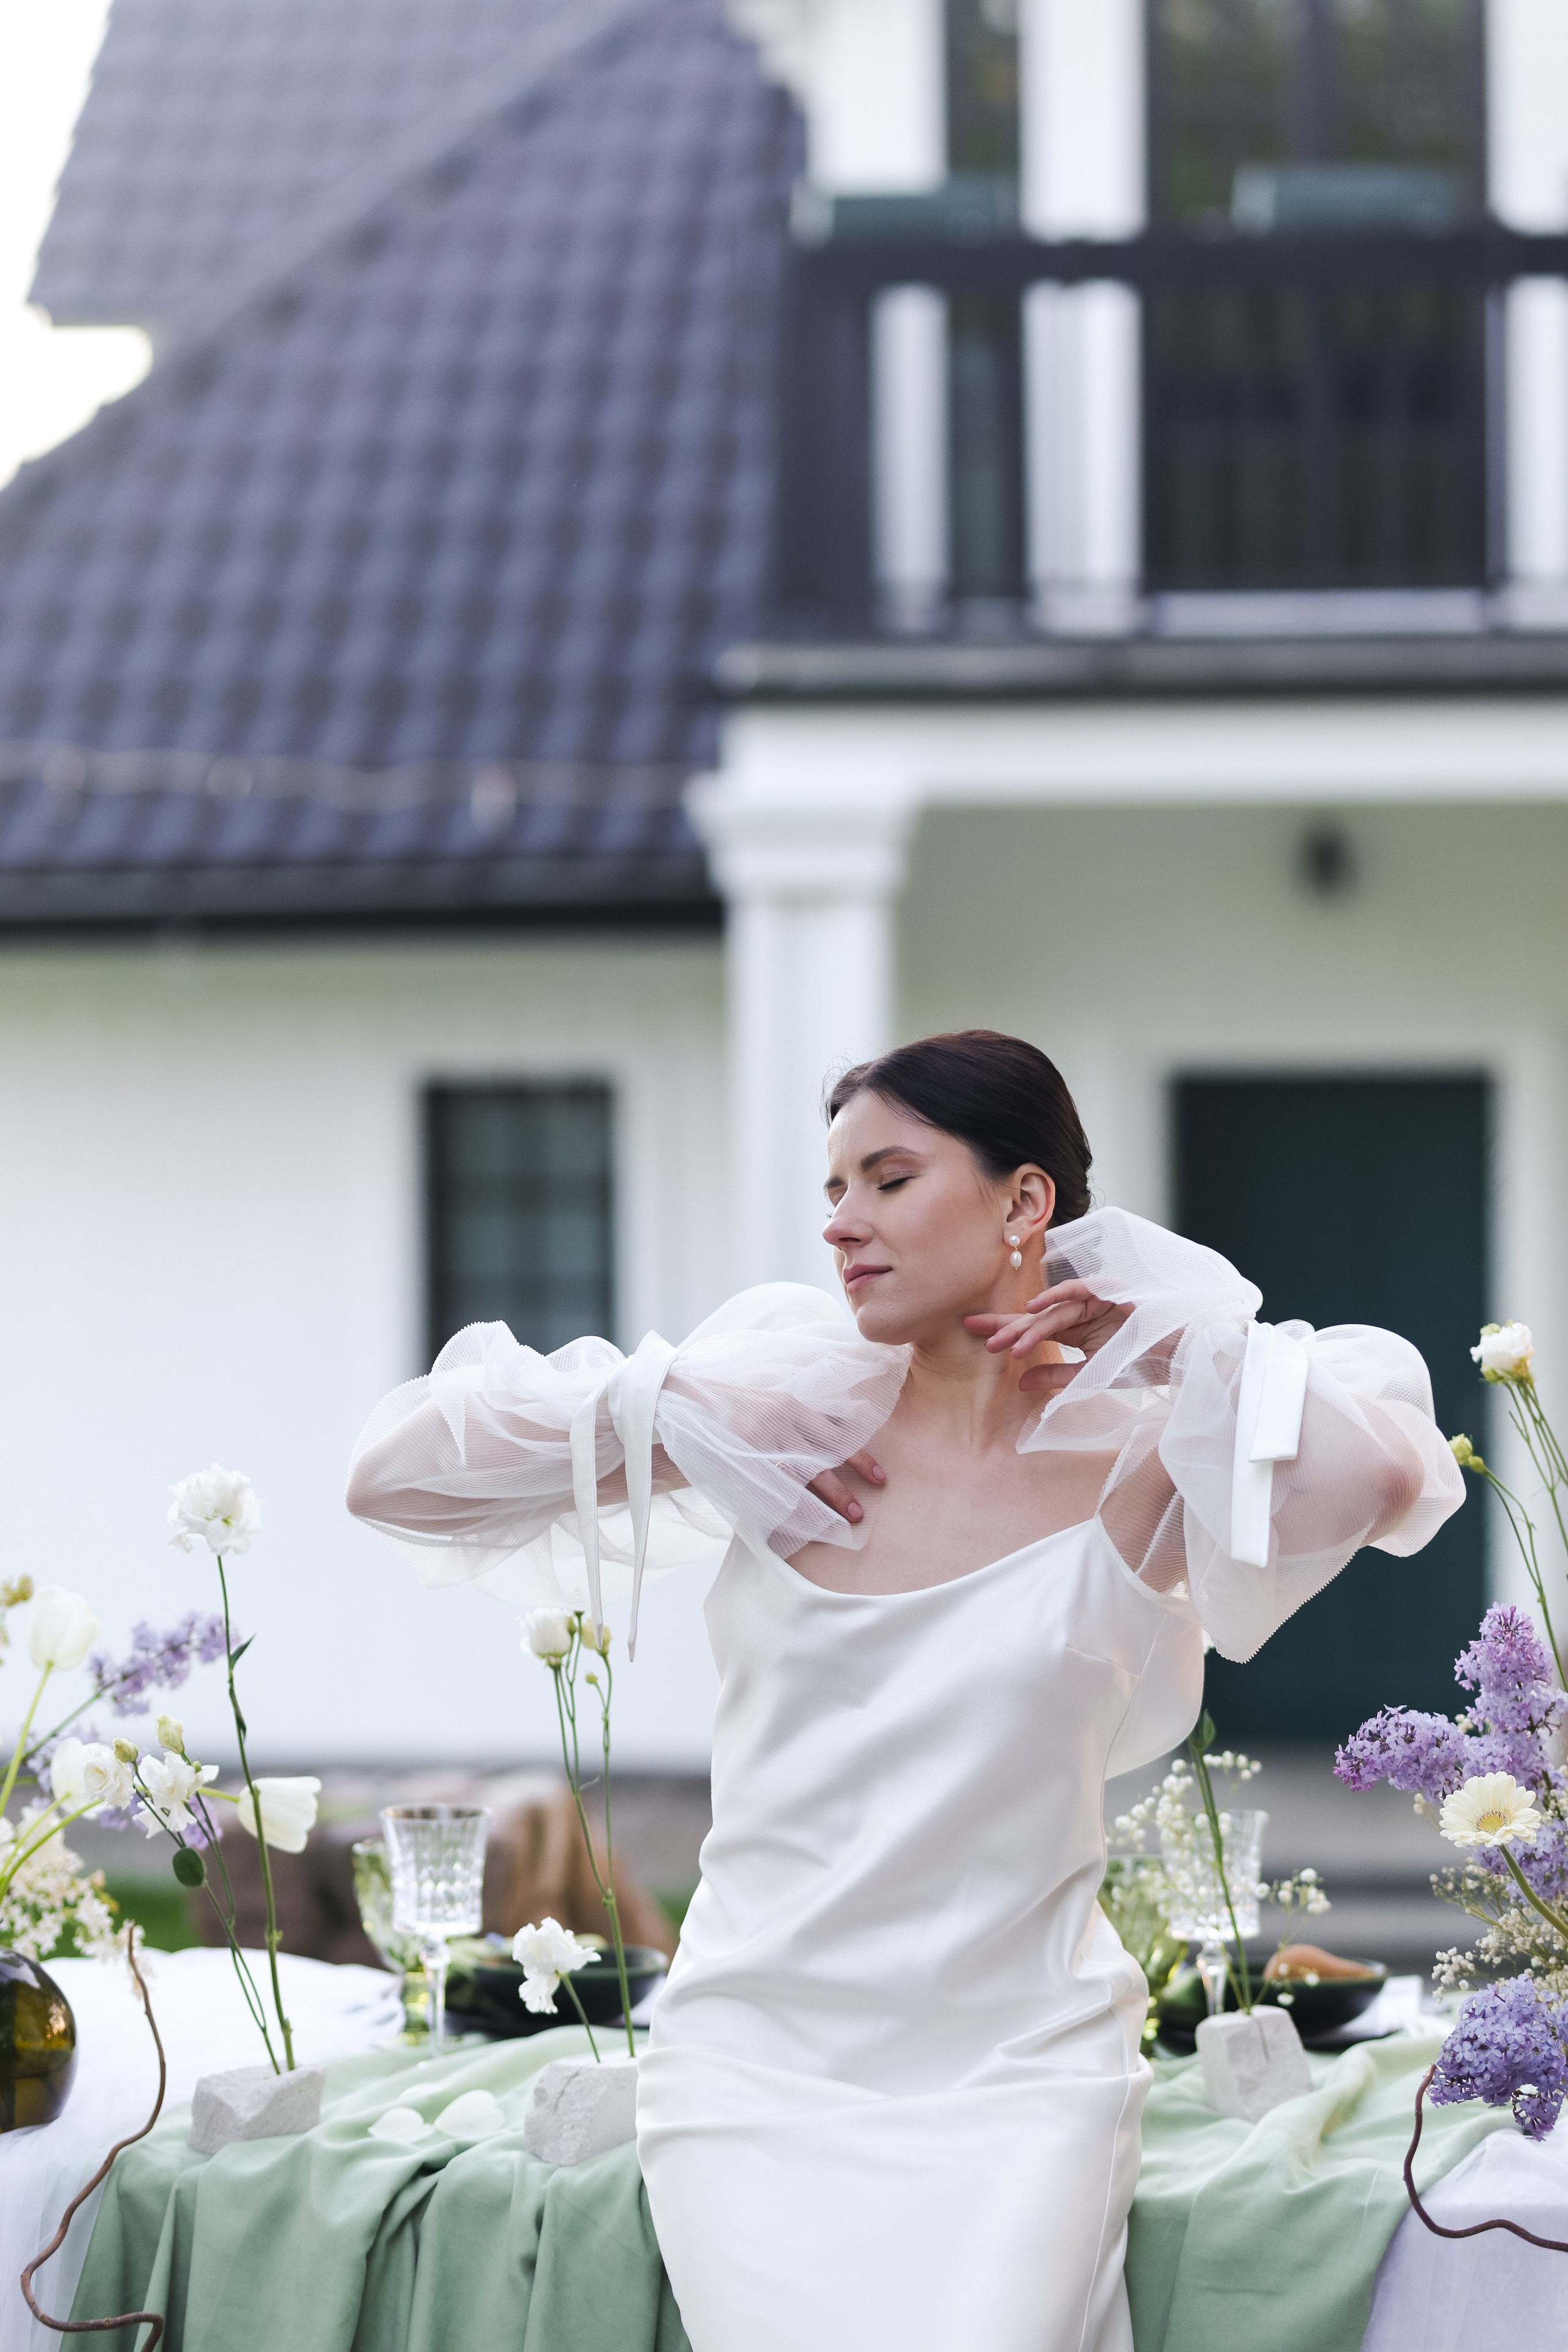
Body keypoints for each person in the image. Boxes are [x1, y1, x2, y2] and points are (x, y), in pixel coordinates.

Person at [346, 1030, 1463, 2352]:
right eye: (832, 1189)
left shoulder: (1145, 1456)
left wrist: (1173, 1349)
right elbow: (390, 1481)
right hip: (752, 2064)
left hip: (1018, 2071)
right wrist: (686, 1410)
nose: (841, 1223)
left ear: (1024, 1201)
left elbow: (1384, 1479)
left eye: (887, 1180)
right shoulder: (782, 1422)